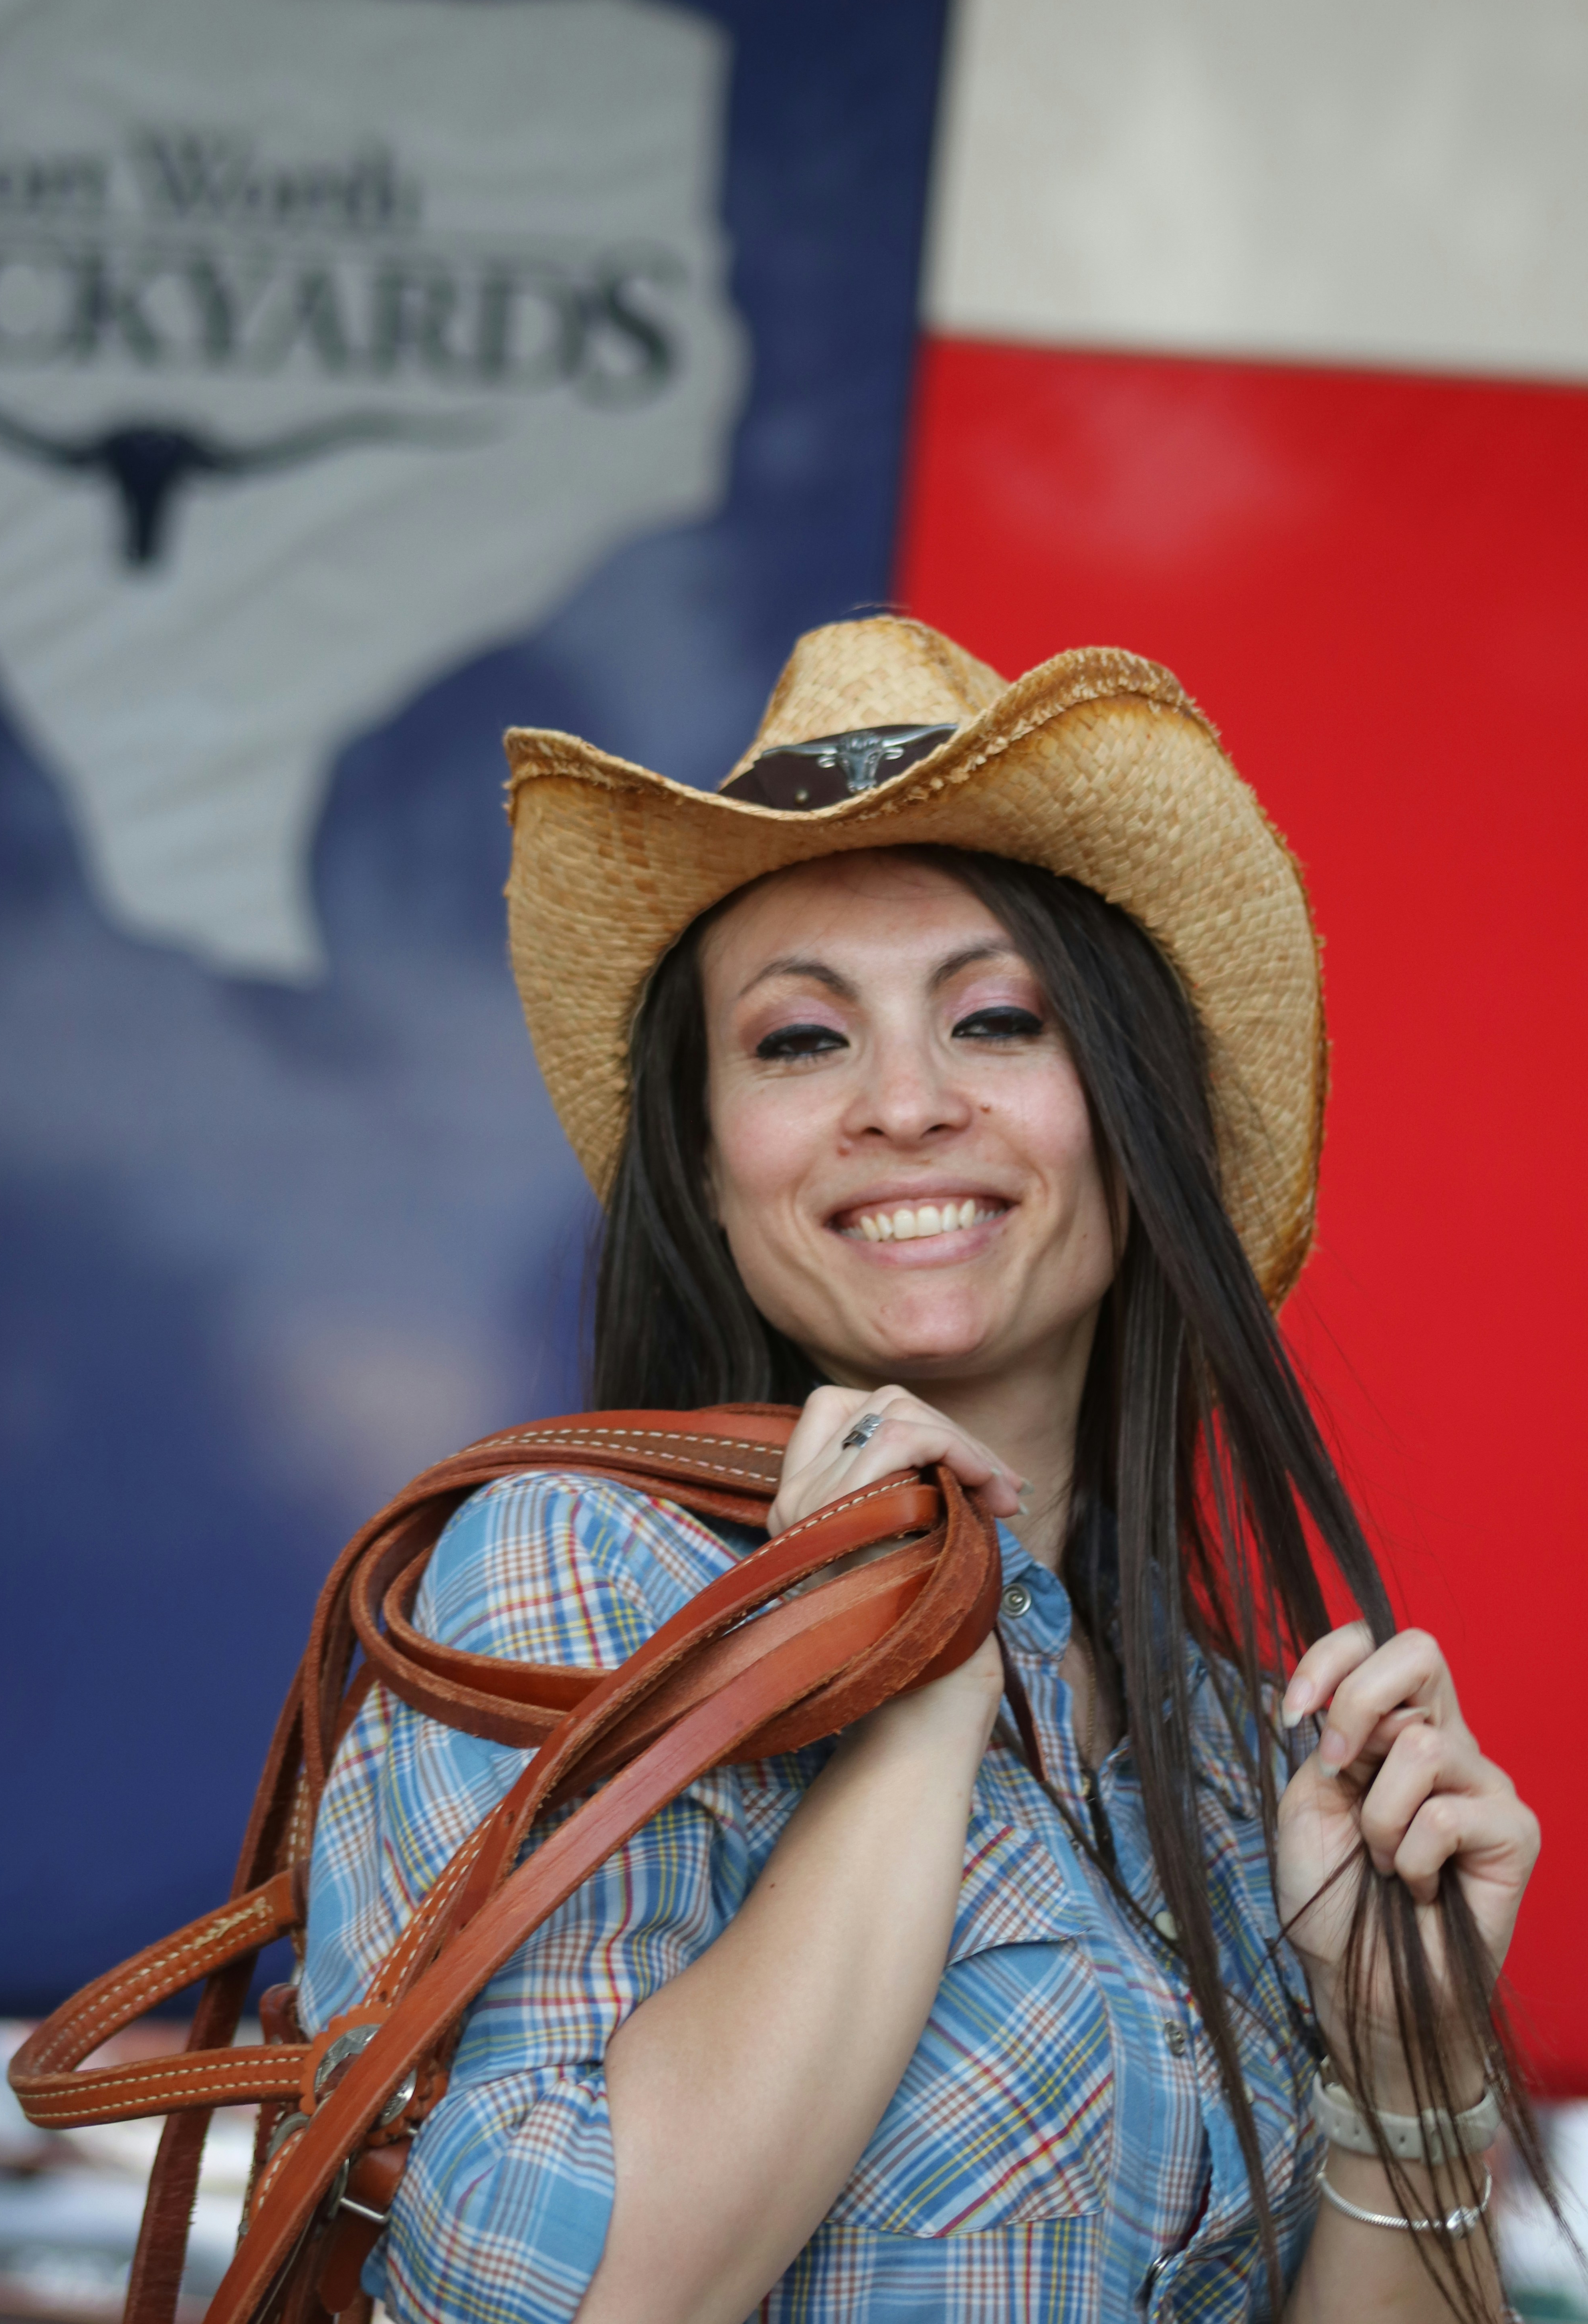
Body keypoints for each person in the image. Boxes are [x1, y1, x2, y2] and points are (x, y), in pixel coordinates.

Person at [299, 618, 1540, 2324]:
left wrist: (1409, 2068)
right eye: (800, 1041)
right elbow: (549, 2304)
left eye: (997, 1021)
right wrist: (903, 1689)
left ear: (1129, 1119)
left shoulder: (1252, 1768)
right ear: (712, 1173)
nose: (903, 1103)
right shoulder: (578, 1571)